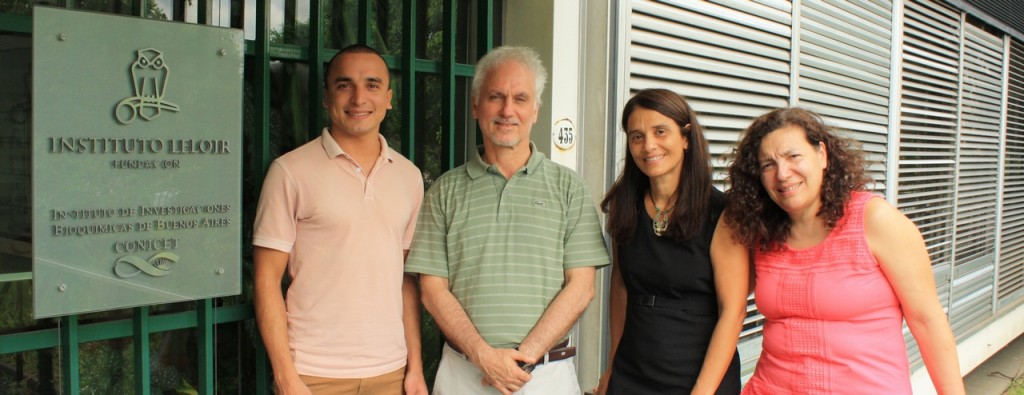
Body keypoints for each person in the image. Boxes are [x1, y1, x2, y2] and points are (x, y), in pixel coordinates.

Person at [404, 45, 610, 395]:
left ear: (535, 110)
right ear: (475, 106)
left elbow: (581, 287)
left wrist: (522, 358)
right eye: (495, 97)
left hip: (546, 377)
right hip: (464, 376)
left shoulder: (569, 187)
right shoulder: (444, 191)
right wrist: (484, 356)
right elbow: (432, 289)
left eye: (520, 98)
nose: (507, 110)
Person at [724, 107, 966, 394]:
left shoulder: (874, 220)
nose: (782, 173)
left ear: (822, 155)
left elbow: (927, 321)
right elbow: (724, 301)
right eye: (768, 165)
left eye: (793, 156)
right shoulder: (763, 234)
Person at [252, 44, 428, 395]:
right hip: (313, 374)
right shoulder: (290, 172)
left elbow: (406, 280)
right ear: (326, 96)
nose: (359, 97)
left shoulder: (409, 177)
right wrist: (287, 378)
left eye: (373, 85)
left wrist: (415, 368)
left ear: (389, 98)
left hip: (390, 371)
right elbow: (266, 281)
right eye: (345, 85)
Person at [595, 89, 748, 395]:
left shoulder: (722, 212)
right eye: (637, 136)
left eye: (660, 131)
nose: (648, 145)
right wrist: (612, 365)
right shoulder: (625, 206)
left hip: (699, 373)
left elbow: (733, 310)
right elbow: (621, 288)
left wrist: (702, 391)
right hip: (633, 370)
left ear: (686, 138)